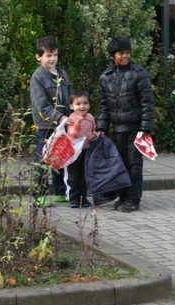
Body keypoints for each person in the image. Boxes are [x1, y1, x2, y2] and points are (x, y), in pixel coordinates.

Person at [97, 36, 155, 212]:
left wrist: (146, 128)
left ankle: (133, 198)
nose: (125, 56)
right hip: (118, 128)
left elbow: (147, 102)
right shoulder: (105, 77)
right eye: (121, 53)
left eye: (127, 52)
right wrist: (102, 127)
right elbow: (104, 106)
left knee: (134, 164)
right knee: (120, 164)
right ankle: (123, 196)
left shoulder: (139, 73)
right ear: (112, 56)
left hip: (136, 128)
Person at [30, 35, 71, 206]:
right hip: (45, 126)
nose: (52, 58)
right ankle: (40, 194)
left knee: (60, 158)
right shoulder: (38, 77)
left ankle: (60, 192)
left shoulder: (63, 74)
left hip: (63, 126)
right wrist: (60, 117)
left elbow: (69, 100)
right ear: (39, 57)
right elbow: (41, 105)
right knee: (43, 160)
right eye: (48, 55)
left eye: (55, 54)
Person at [66, 89, 97, 208]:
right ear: (71, 106)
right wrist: (77, 122)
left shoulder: (90, 117)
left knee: (84, 176)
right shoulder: (72, 118)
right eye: (78, 104)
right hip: (73, 152)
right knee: (73, 176)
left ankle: (83, 198)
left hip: (86, 150)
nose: (82, 107)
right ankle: (74, 198)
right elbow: (72, 135)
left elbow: (94, 130)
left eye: (85, 103)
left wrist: (93, 135)